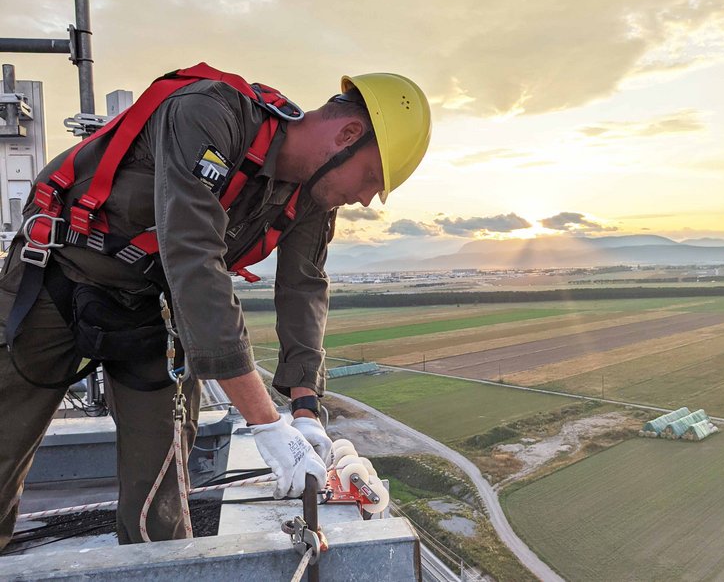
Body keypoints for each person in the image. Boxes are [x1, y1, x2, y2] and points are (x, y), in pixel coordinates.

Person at [0, 64, 431, 550]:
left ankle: (158, 566)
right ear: (348, 134)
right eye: (371, 177)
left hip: (146, 303)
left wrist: (306, 411)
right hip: (55, 275)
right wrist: (267, 424)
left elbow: (304, 287)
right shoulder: (209, 113)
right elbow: (194, 258)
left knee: (160, 485)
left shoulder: (311, 198)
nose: (367, 199)